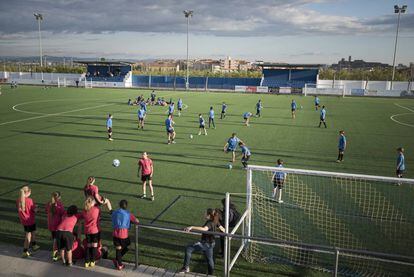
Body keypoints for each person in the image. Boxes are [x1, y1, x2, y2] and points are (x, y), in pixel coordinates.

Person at [179, 208, 225, 275]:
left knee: (188, 248)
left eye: (205, 213)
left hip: (205, 243)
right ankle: (210, 274)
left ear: (209, 215)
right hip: (211, 243)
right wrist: (228, 233)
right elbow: (221, 228)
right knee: (210, 259)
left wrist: (192, 227)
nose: (204, 214)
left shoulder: (209, 222)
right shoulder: (215, 220)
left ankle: (186, 267)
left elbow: (204, 229)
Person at [111, 200, 139, 271]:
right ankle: (119, 263)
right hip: (123, 235)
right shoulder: (128, 214)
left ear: (119, 205)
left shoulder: (115, 212)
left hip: (115, 234)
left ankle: (118, 262)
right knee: (125, 247)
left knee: (118, 249)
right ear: (126, 206)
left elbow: (112, 214)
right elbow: (137, 221)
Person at [82, 197, 109, 268]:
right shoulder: (96, 209)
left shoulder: (84, 211)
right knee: (94, 246)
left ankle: (86, 262)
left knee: (88, 246)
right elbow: (99, 215)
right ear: (92, 203)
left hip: (87, 231)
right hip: (95, 230)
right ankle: (92, 261)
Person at [17, 186, 39, 258]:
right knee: (28, 236)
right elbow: (34, 210)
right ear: (28, 192)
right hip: (30, 220)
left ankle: (34, 245)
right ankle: (25, 251)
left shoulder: (18, 200)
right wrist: (37, 208)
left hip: (24, 220)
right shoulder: (29, 200)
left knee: (32, 232)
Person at [45, 191, 65, 261]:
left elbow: (46, 211)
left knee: (54, 238)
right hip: (57, 225)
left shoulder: (48, 204)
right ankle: (55, 255)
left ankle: (55, 254)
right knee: (56, 240)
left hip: (51, 224)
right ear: (59, 197)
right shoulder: (59, 205)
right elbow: (63, 214)